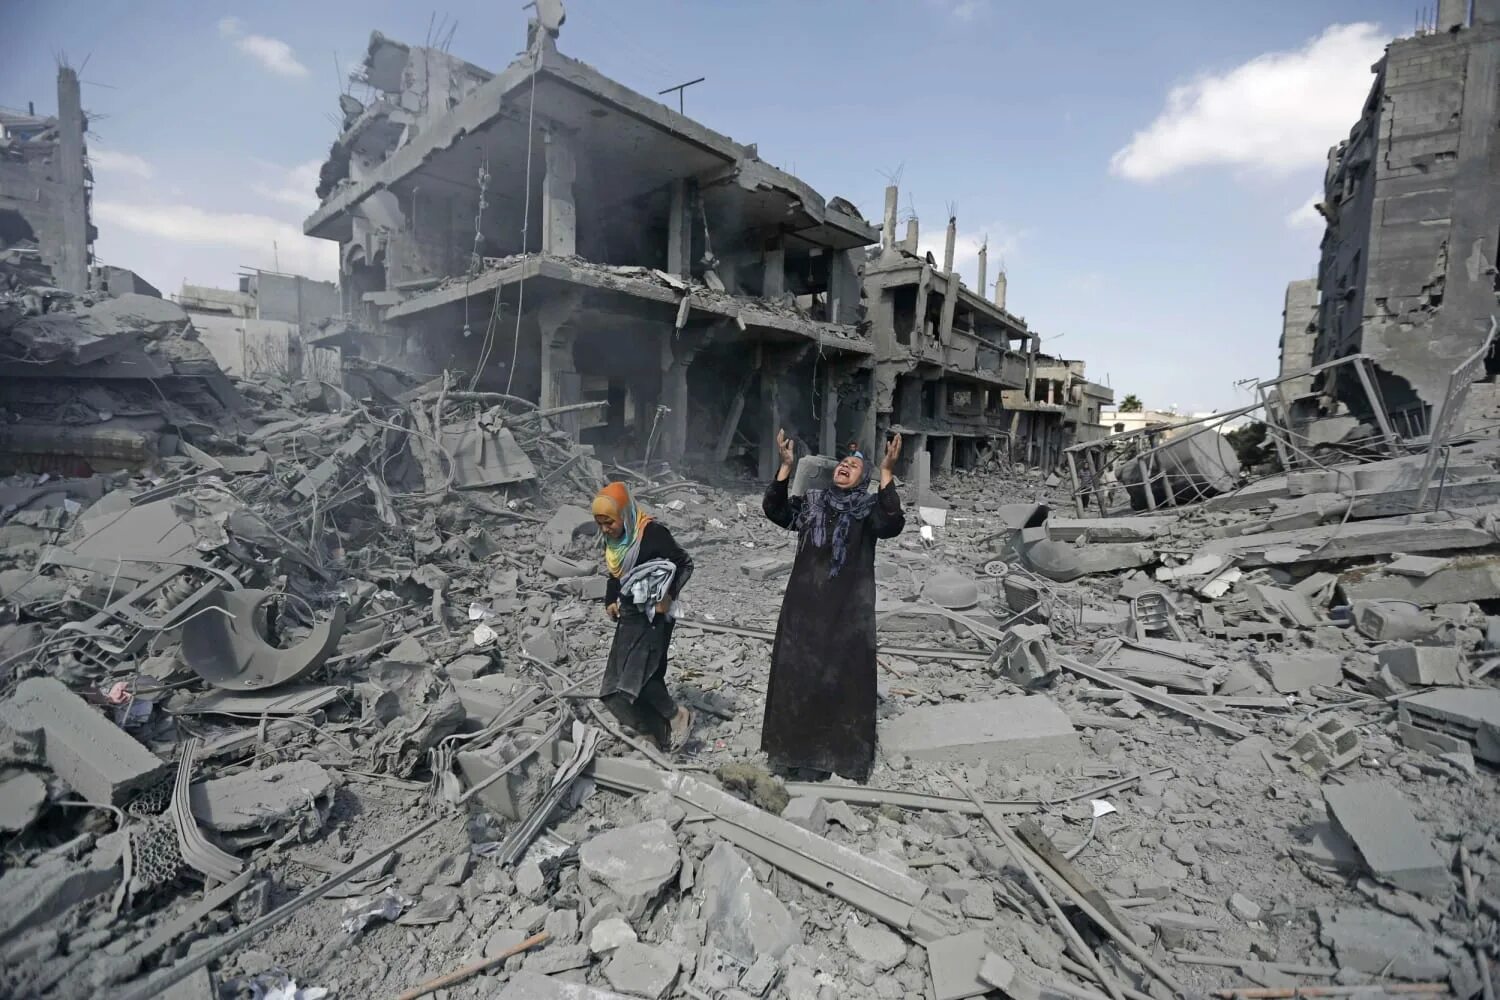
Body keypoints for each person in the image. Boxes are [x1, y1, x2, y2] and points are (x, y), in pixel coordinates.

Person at [761, 430, 904, 781]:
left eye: (855, 465)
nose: (845, 466)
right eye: (843, 462)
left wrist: (887, 471)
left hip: (846, 612)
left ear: (863, 479)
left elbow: (892, 524)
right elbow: (775, 510)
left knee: (839, 679)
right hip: (804, 608)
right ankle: (791, 753)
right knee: (798, 676)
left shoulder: (868, 509)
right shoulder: (813, 502)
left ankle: (832, 759)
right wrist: (786, 467)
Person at [592, 482, 694, 751]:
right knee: (614, 687)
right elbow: (616, 572)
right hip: (629, 614)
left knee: (642, 677)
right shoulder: (615, 539)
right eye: (600, 523)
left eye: (609, 522)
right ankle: (649, 732)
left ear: (624, 514)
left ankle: (677, 716)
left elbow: (684, 563)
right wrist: (610, 599)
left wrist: (668, 595)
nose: (605, 529)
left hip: (654, 616)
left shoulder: (652, 533)